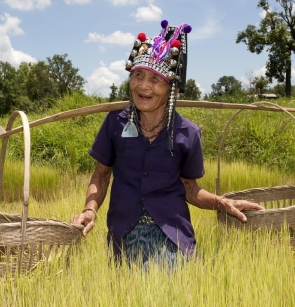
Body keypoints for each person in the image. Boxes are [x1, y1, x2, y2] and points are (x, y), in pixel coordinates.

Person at [69, 20, 263, 268]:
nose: (144, 86)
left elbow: (190, 189)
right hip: (123, 236)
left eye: (155, 79)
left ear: (173, 89)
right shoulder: (114, 123)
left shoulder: (188, 133)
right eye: (138, 75)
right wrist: (89, 209)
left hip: (173, 238)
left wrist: (222, 203)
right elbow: (101, 176)